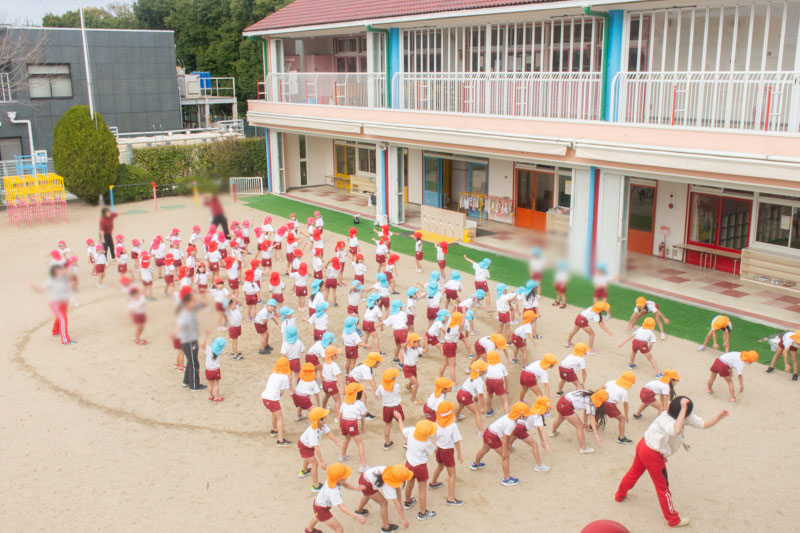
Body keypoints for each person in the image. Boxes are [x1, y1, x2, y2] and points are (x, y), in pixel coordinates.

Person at [615, 396, 729, 528]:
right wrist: (684, 409)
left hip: (645, 445)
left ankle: (619, 495)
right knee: (663, 488)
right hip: (652, 454)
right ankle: (673, 520)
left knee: (633, 473)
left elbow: (703, 424)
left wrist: (717, 418)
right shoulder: (665, 418)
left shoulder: (685, 416)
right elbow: (676, 429)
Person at [470, 402, 530, 486]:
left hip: (488, 431)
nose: (527, 416)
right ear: (520, 415)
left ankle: (476, 464)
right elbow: (505, 438)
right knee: (505, 456)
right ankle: (507, 479)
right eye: (526, 414)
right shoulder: (511, 423)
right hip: (493, 437)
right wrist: (505, 451)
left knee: (485, 449)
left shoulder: (509, 416)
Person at [304, 463, 366, 533]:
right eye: (345, 476)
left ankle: (309, 530)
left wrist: (357, 488)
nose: (347, 477)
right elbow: (342, 508)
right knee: (339, 529)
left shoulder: (332, 478)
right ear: (339, 479)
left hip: (318, 502)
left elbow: (345, 484)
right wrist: (357, 516)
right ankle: (309, 530)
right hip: (322, 509)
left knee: (317, 516)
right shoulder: (334, 492)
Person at [354, 465, 413, 532]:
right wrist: (403, 519)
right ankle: (386, 527)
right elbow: (396, 503)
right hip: (367, 485)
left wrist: (400, 504)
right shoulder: (388, 486)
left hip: (364, 477)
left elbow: (397, 489)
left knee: (368, 494)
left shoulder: (390, 472)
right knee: (384, 503)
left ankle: (359, 510)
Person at [298, 407, 344, 492]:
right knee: (315, 463)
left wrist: (338, 443)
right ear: (319, 420)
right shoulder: (313, 432)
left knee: (308, 458)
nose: (326, 418)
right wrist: (322, 462)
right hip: (304, 447)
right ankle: (315, 486)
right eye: (325, 417)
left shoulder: (322, 425)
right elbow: (317, 449)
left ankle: (303, 471)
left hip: (308, 446)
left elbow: (329, 434)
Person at [549, 389, 608, 454]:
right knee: (580, 427)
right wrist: (596, 434)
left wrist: (585, 423)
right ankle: (583, 448)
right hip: (566, 407)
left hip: (562, 400)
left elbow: (586, 410)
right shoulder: (591, 403)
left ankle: (552, 432)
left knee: (560, 418)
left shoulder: (588, 393)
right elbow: (592, 419)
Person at [401, 420, 438, 521]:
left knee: (409, 483)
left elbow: (403, 430)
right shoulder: (427, 443)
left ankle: (407, 502)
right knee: (422, 490)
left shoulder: (411, 431)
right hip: (420, 466)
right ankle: (422, 513)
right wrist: (434, 443)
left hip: (409, 463)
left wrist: (400, 419)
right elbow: (435, 450)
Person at [29, 264, 75, 345]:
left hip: (64, 302)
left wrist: (65, 272)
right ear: (54, 272)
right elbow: (41, 290)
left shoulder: (63, 278)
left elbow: (72, 276)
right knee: (63, 319)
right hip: (56, 304)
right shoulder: (50, 281)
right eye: (58, 270)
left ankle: (55, 331)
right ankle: (65, 340)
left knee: (60, 317)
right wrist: (33, 286)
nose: (60, 271)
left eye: (60, 269)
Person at [428, 401, 464, 506]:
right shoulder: (453, 426)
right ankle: (450, 498)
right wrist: (459, 454)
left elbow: (431, 436)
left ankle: (433, 483)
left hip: (439, 450)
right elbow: (456, 441)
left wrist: (435, 445)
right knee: (452, 475)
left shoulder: (436, 424)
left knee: (440, 466)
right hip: (447, 451)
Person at [175, 287, 206, 391]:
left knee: (191, 360)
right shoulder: (185, 312)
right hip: (189, 340)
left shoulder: (187, 308)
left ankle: (186, 381)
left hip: (189, 339)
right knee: (194, 363)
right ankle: (194, 385)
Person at [510, 396, 551, 472]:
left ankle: (507, 448)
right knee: (534, 445)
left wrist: (542, 441)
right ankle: (539, 465)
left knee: (514, 436)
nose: (550, 409)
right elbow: (541, 430)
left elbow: (539, 429)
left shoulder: (534, 411)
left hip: (517, 425)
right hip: (521, 429)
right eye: (548, 408)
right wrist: (546, 444)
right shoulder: (538, 417)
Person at [262, 356, 292, 447]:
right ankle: (280, 440)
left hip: (265, 398)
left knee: (274, 413)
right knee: (280, 418)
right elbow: (282, 392)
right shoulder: (284, 377)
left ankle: (274, 429)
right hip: (273, 400)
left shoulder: (273, 375)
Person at [339, 382, 369, 472]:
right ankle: (364, 465)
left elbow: (340, 415)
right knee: (360, 444)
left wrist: (340, 425)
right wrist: (362, 426)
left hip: (343, 422)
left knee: (347, 438)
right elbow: (363, 414)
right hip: (351, 423)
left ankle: (342, 455)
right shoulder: (360, 404)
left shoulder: (344, 402)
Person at [603, 371, 637, 445]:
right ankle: (621, 438)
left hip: (601, 400)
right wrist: (626, 416)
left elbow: (602, 388)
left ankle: (592, 426)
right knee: (622, 419)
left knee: (600, 412)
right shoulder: (624, 391)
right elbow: (625, 404)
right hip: (610, 405)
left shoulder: (611, 382)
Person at [455, 359, 488, 433]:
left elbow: (473, 388)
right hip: (466, 396)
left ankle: (455, 418)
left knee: (461, 406)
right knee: (477, 412)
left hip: (460, 393)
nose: (487, 369)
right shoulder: (479, 381)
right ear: (481, 372)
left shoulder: (472, 375)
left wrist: (475, 396)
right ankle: (481, 431)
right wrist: (482, 408)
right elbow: (481, 395)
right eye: (485, 369)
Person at [375, 368, 404, 450]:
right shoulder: (397, 386)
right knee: (401, 422)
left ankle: (387, 443)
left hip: (386, 408)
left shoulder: (380, 387)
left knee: (388, 425)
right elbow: (397, 394)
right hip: (396, 407)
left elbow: (377, 395)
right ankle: (406, 442)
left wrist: (382, 400)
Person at [485, 351, 509, 416]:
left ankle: (489, 411)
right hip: (498, 382)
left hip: (489, 380)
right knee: (504, 400)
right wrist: (506, 388)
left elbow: (484, 374)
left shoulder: (486, 365)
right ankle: (506, 415)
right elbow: (506, 377)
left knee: (489, 396)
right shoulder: (501, 366)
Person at [202, 334, 226, 402]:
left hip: (208, 370)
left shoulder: (208, 349)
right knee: (216, 384)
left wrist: (206, 336)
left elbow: (202, 345)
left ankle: (211, 396)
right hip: (215, 370)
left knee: (210, 384)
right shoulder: (218, 352)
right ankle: (216, 397)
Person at [401, 333, 423, 404]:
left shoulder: (417, 349)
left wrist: (426, 342)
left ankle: (408, 386)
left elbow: (425, 351)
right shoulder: (407, 349)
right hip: (407, 368)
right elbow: (403, 347)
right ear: (413, 343)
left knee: (413, 381)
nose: (419, 343)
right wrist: (407, 342)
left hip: (413, 367)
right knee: (416, 384)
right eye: (418, 342)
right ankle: (413, 399)